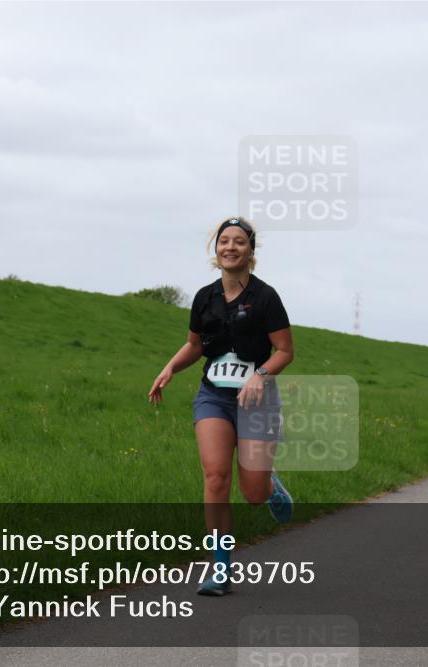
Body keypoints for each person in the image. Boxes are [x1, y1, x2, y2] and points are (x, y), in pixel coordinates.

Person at [149, 216, 294, 596]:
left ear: (251, 250)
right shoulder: (204, 297)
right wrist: (170, 368)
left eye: (239, 242)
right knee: (215, 478)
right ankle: (220, 568)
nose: (230, 247)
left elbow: (285, 350)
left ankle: (271, 487)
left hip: (257, 402)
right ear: (216, 250)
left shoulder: (266, 297)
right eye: (224, 241)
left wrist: (259, 374)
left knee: (253, 494)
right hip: (213, 395)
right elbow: (195, 346)